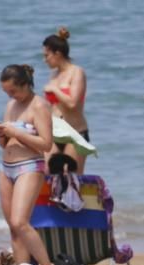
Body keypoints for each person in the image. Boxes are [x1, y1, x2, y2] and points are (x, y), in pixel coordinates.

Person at [0, 64, 54, 265]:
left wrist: (15, 133)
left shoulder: (39, 106)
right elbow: (6, 142)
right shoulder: (11, 105)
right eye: (7, 92)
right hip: (6, 167)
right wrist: (2, 135)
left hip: (29, 166)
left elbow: (46, 144)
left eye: (13, 91)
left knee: (21, 221)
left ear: (26, 85)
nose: (11, 96)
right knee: (13, 226)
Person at [43, 27, 90, 174]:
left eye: (47, 56)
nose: (45, 60)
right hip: (55, 134)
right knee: (45, 173)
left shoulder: (77, 72)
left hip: (75, 133)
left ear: (58, 53)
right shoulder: (54, 75)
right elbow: (53, 107)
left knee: (71, 179)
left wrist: (55, 90)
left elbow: (73, 103)